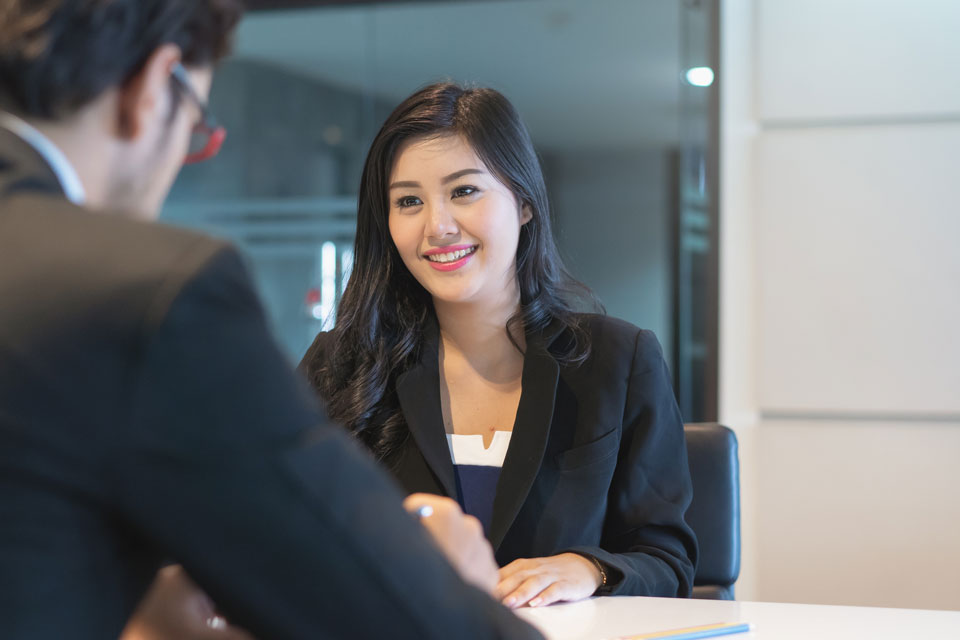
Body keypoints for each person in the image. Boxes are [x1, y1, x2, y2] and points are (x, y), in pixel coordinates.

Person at [0, 3, 542, 639]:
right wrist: (448, 580)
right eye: (197, 125)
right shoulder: (144, 290)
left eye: (466, 191)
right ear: (155, 86)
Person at [299, 83, 699, 609]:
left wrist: (589, 568)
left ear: (525, 202)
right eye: (409, 201)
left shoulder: (616, 360)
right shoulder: (342, 364)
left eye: (464, 191)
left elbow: (667, 558)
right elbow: (284, 533)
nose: (437, 226)